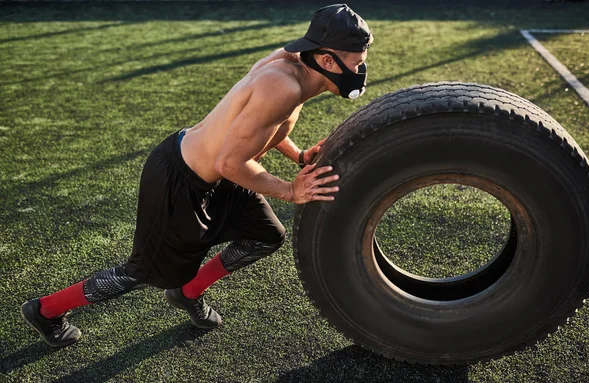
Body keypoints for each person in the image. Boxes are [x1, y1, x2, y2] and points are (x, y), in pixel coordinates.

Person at [20, 3, 373, 348]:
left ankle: (187, 292)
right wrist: (290, 191)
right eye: (357, 62)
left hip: (217, 176)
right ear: (327, 60)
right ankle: (46, 310)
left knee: (265, 235)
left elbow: (257, 127)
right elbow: (231, 163)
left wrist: (298, 156)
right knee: (141, 272)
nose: (362, 69)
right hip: (180, 180)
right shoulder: (283, 86)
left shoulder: (290, 63)